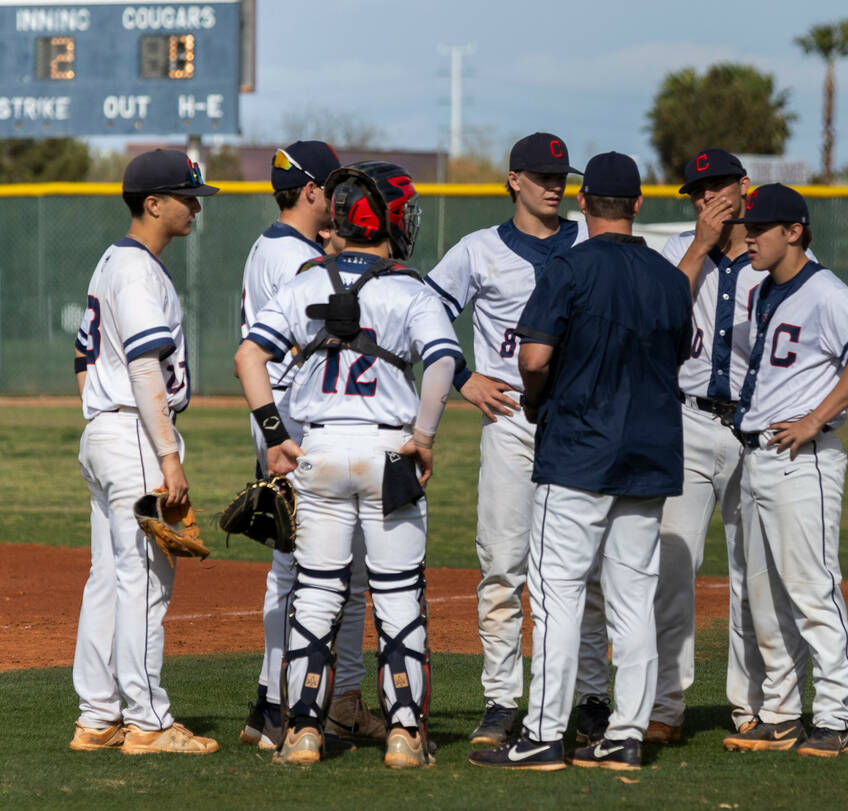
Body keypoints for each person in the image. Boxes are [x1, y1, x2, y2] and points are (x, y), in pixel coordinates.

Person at [468, 152, 693, 771]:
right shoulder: (671, 279)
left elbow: (533, 358)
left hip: (577, 454)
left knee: (558, 595)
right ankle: (626, 735)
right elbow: (676, 357)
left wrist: (537, 403)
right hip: (649, 457)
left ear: (584, 203)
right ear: (639, 205)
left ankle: (542, 734)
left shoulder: (567, 267)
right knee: (630, 600)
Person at [235, 161, 463, 768]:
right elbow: (441, 362)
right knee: (397, 597)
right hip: (389, 450)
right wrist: (425, 436)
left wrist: (277, 434)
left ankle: (303, 734)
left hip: (322, 448)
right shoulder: (408, 287)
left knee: (314, 595)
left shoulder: (307, 278)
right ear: (387, 219)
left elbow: (247, 357)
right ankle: (404, 736)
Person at [426, 132, 611, 747]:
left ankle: (591, 698)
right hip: (510, 420)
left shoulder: (591, 239)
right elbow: (417, 314)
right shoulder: (478, 250)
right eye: (541, 174)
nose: (555, 184)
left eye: (562, 174)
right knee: (503, 566)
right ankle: (502, 700)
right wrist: (462, 376)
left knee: (584, 572)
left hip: (579, 419)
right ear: (514, 180)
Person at [720, 184, 848, 757]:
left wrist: (818, 416)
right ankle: (782, 713)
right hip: (759, 454)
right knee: (765, 598)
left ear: (793, 231)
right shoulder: (766, 290)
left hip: (803, 460)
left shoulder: (825, 290)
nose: (748, 239)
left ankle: (835, 717)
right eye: (746, 229)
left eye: (758, 230)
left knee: (813, 592)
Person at [237, 140, 387, 751]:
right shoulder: (299, 261)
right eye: (336, 190)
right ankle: (278, 708)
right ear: (311, 193)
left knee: (307, 566)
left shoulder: (272, 245)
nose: (345, 201)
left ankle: (302, 704)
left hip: (277, 411)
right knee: (300, 568)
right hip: (293, 418)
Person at [70, 149, 220, 755]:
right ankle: (148, 722)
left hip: (107, 432)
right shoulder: (136, 272)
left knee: (108, 577)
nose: (195, 205)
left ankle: (98, 716)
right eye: (187, 196)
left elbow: (83, 361)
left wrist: (100, 417)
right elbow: (142, 366)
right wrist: (167, 455)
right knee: (144, 582)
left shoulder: (112, 262)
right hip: (134, 432)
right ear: (152, 203)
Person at [649, 148, 767, 744]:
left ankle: (751, 705)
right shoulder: (679, 250)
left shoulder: (776, 251)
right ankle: (665, 706)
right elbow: (663, 312)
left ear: (745, 187)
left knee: (754, 572)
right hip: (689, 423)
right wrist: (699, 244)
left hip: (756, 428)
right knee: (673, 567)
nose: (707, 199)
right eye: (697, 192)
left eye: (717, 187)